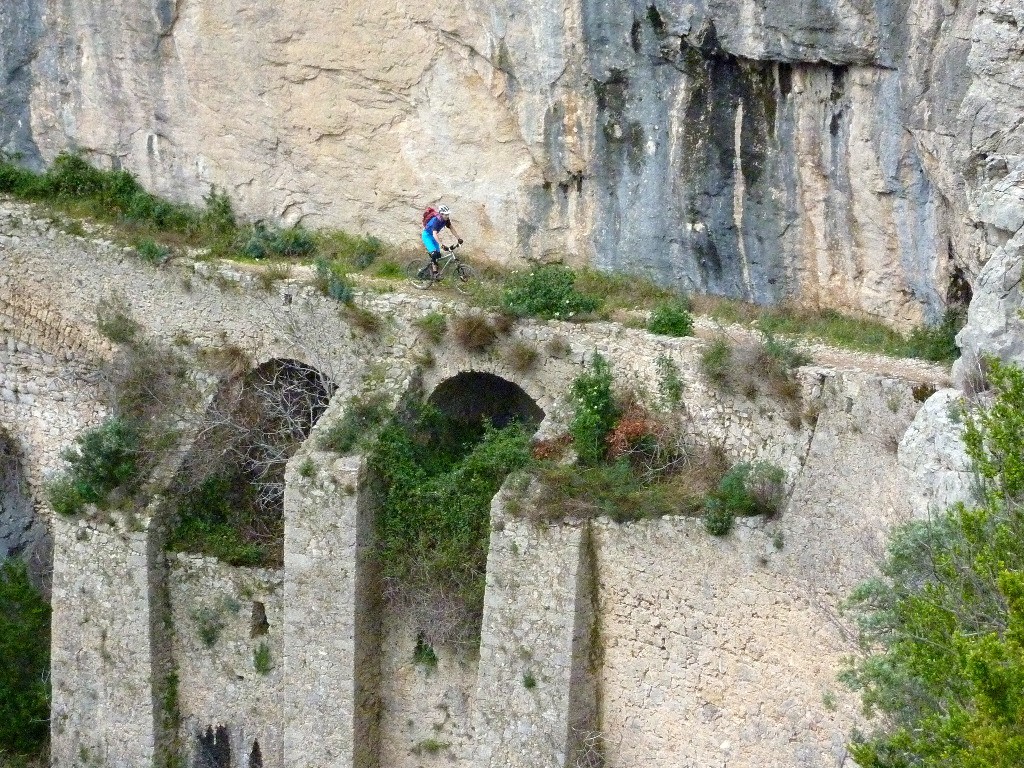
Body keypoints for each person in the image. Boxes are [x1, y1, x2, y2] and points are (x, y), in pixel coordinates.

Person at [422, 205, 463, 277]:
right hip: (427, 236)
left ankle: (433, 272)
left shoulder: (446, 220)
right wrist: (441, 245)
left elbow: (451, 228)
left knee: (438, 256)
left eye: (448, 214)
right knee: (434, 254)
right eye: (446, 214)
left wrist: (458, 238)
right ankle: (434, 273)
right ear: (441, 214)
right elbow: (434, 234)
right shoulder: (436, 220)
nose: (447, 216)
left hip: (433, 236)